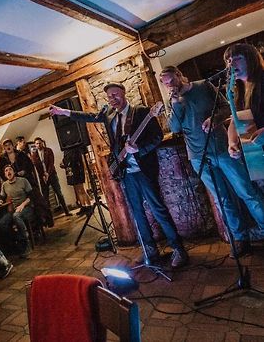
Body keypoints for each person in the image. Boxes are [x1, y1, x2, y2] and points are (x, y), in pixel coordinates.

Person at [50, 83, 189, 268]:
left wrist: (140, 148)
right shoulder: (109, 114)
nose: (112, 99)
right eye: (109, 96)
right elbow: (89, 117)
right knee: (137, 214)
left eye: (115, 94)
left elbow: (157, 137)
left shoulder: (141, 112)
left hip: (144, 171)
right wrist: (64, 112)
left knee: (158, 210)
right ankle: (150, 250)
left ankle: (178, 249)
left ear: (123, 93)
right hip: (126, 173)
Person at [160, 65, 264, 256]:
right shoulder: (171, 102)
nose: (170, 85)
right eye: (166, 83)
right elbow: (174, 128)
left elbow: (227, 107)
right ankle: (240, 238)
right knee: (222, 199)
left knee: (246, 190)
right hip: (198, 156)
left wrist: (214, 119)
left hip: (222, 148)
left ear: (180, 75)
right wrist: (175, 103)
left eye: (172, 80)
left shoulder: (203, 86)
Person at [223, 43, 264, 154]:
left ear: (251, 59)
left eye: (237, 58)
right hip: (258, 154)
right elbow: (235, 119)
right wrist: (232, 143)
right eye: (229, 60)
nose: (231, 64)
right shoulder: (237, 89)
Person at [0, 165, 35, 257]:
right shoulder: (4, 185)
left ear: (14, 172)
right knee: (2, 223)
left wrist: (22, 205)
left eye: (10, 169)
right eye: (6, 170)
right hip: (14, 210)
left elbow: (31, 196)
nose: (8, 172)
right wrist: (0, 201)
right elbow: (2, 197)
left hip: (27, 207)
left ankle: (26, 243)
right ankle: (14, 245)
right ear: (5, 174)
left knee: (16, 216)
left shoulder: (23, 181)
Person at [30, 137, 72, 216]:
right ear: (35, 145)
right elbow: (37, 166)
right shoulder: (34, 155)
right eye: (37, 143)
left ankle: (67, 211)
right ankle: (49, 216)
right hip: (43, 177)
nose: (39, 145)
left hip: (52, 175)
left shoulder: (48, 150)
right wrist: (43, 175)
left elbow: (51, 163)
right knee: (45, 196)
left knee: (59, 193)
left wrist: (47, 174)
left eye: (40, 143)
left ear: (42, 143)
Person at [60, 147, 92, 216]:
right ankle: (83, 206)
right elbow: (65, 160)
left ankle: (89, 206)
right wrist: (63, 163)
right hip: (70, 171)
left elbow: (80, 159)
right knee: (78, 190)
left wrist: (85, 169)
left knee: (81, 189)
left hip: (77, 170)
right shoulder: (65, 150)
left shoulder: (75, 148)